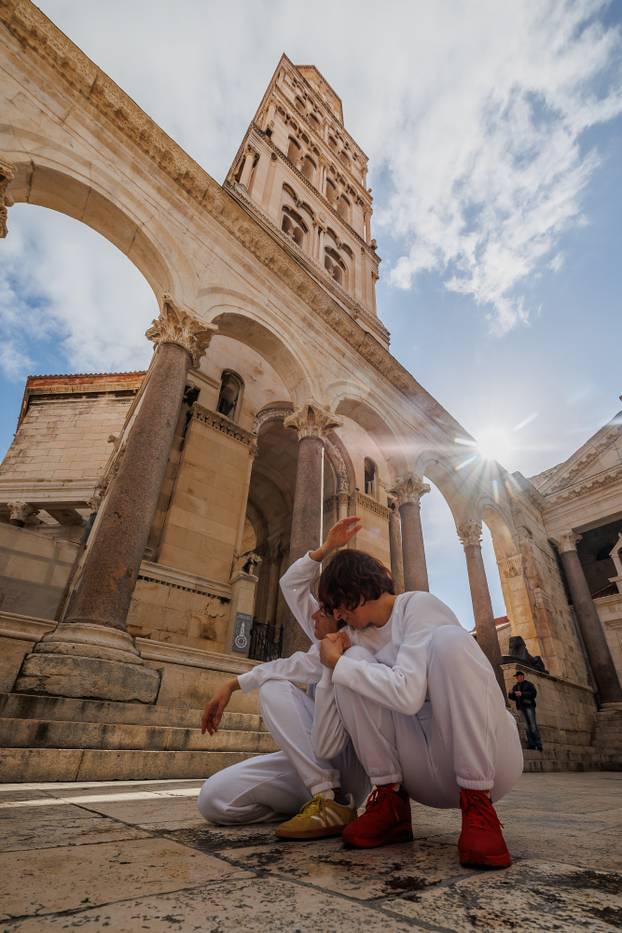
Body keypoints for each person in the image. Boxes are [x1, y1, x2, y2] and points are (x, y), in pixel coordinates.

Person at [314, 547, 524, 868]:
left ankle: (478, 805)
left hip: (491, 764)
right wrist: (331, 667)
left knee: (449, 641)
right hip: (422, 775)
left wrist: (338, 664)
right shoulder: (354, 639)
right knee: (352, 662)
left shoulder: (418, 606)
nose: (337, 616)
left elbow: (408, 695)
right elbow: (325, 743)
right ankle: (390, 802)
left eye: (337, 605)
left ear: (355, 590)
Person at [197, 517, 373, 840]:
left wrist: (235, 684)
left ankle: (329, 799)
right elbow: (291, 584)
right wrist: (326, 548)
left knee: (273, 688)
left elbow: (284, 670)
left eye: (321, 611)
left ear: (339, 614)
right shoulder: (321, 639)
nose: (313, 615)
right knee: (214, 799)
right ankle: (315, 803)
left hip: (348, 766)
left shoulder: (355, 645)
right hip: (314, 760)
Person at [508, 670, 542, 751]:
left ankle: (538, 744)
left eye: (518, 676)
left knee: (533, 725)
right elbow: (513, 697)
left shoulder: (529, 684)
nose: (517, 678)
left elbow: (533, 694)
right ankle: (531, 744)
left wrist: (522, 694)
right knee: (526, 726)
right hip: (521, 708)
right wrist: (510, 693)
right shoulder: (515, 686)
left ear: (522, 676)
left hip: (529, 706)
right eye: (516, 677)